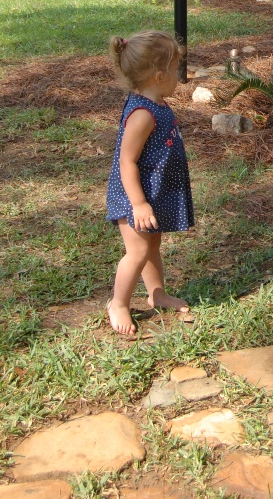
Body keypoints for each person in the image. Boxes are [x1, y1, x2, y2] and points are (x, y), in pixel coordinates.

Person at [105, 30, 194, 336]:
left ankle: (157, 294)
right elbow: (126, 161)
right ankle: (118, 303)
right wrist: (139, 203)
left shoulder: (157, 103)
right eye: (175, 69)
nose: (178, 76)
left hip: (152, 192)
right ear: (159, 76)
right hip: (134, 196)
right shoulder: (143, 114)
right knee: (138, 251)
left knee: (152, 244)